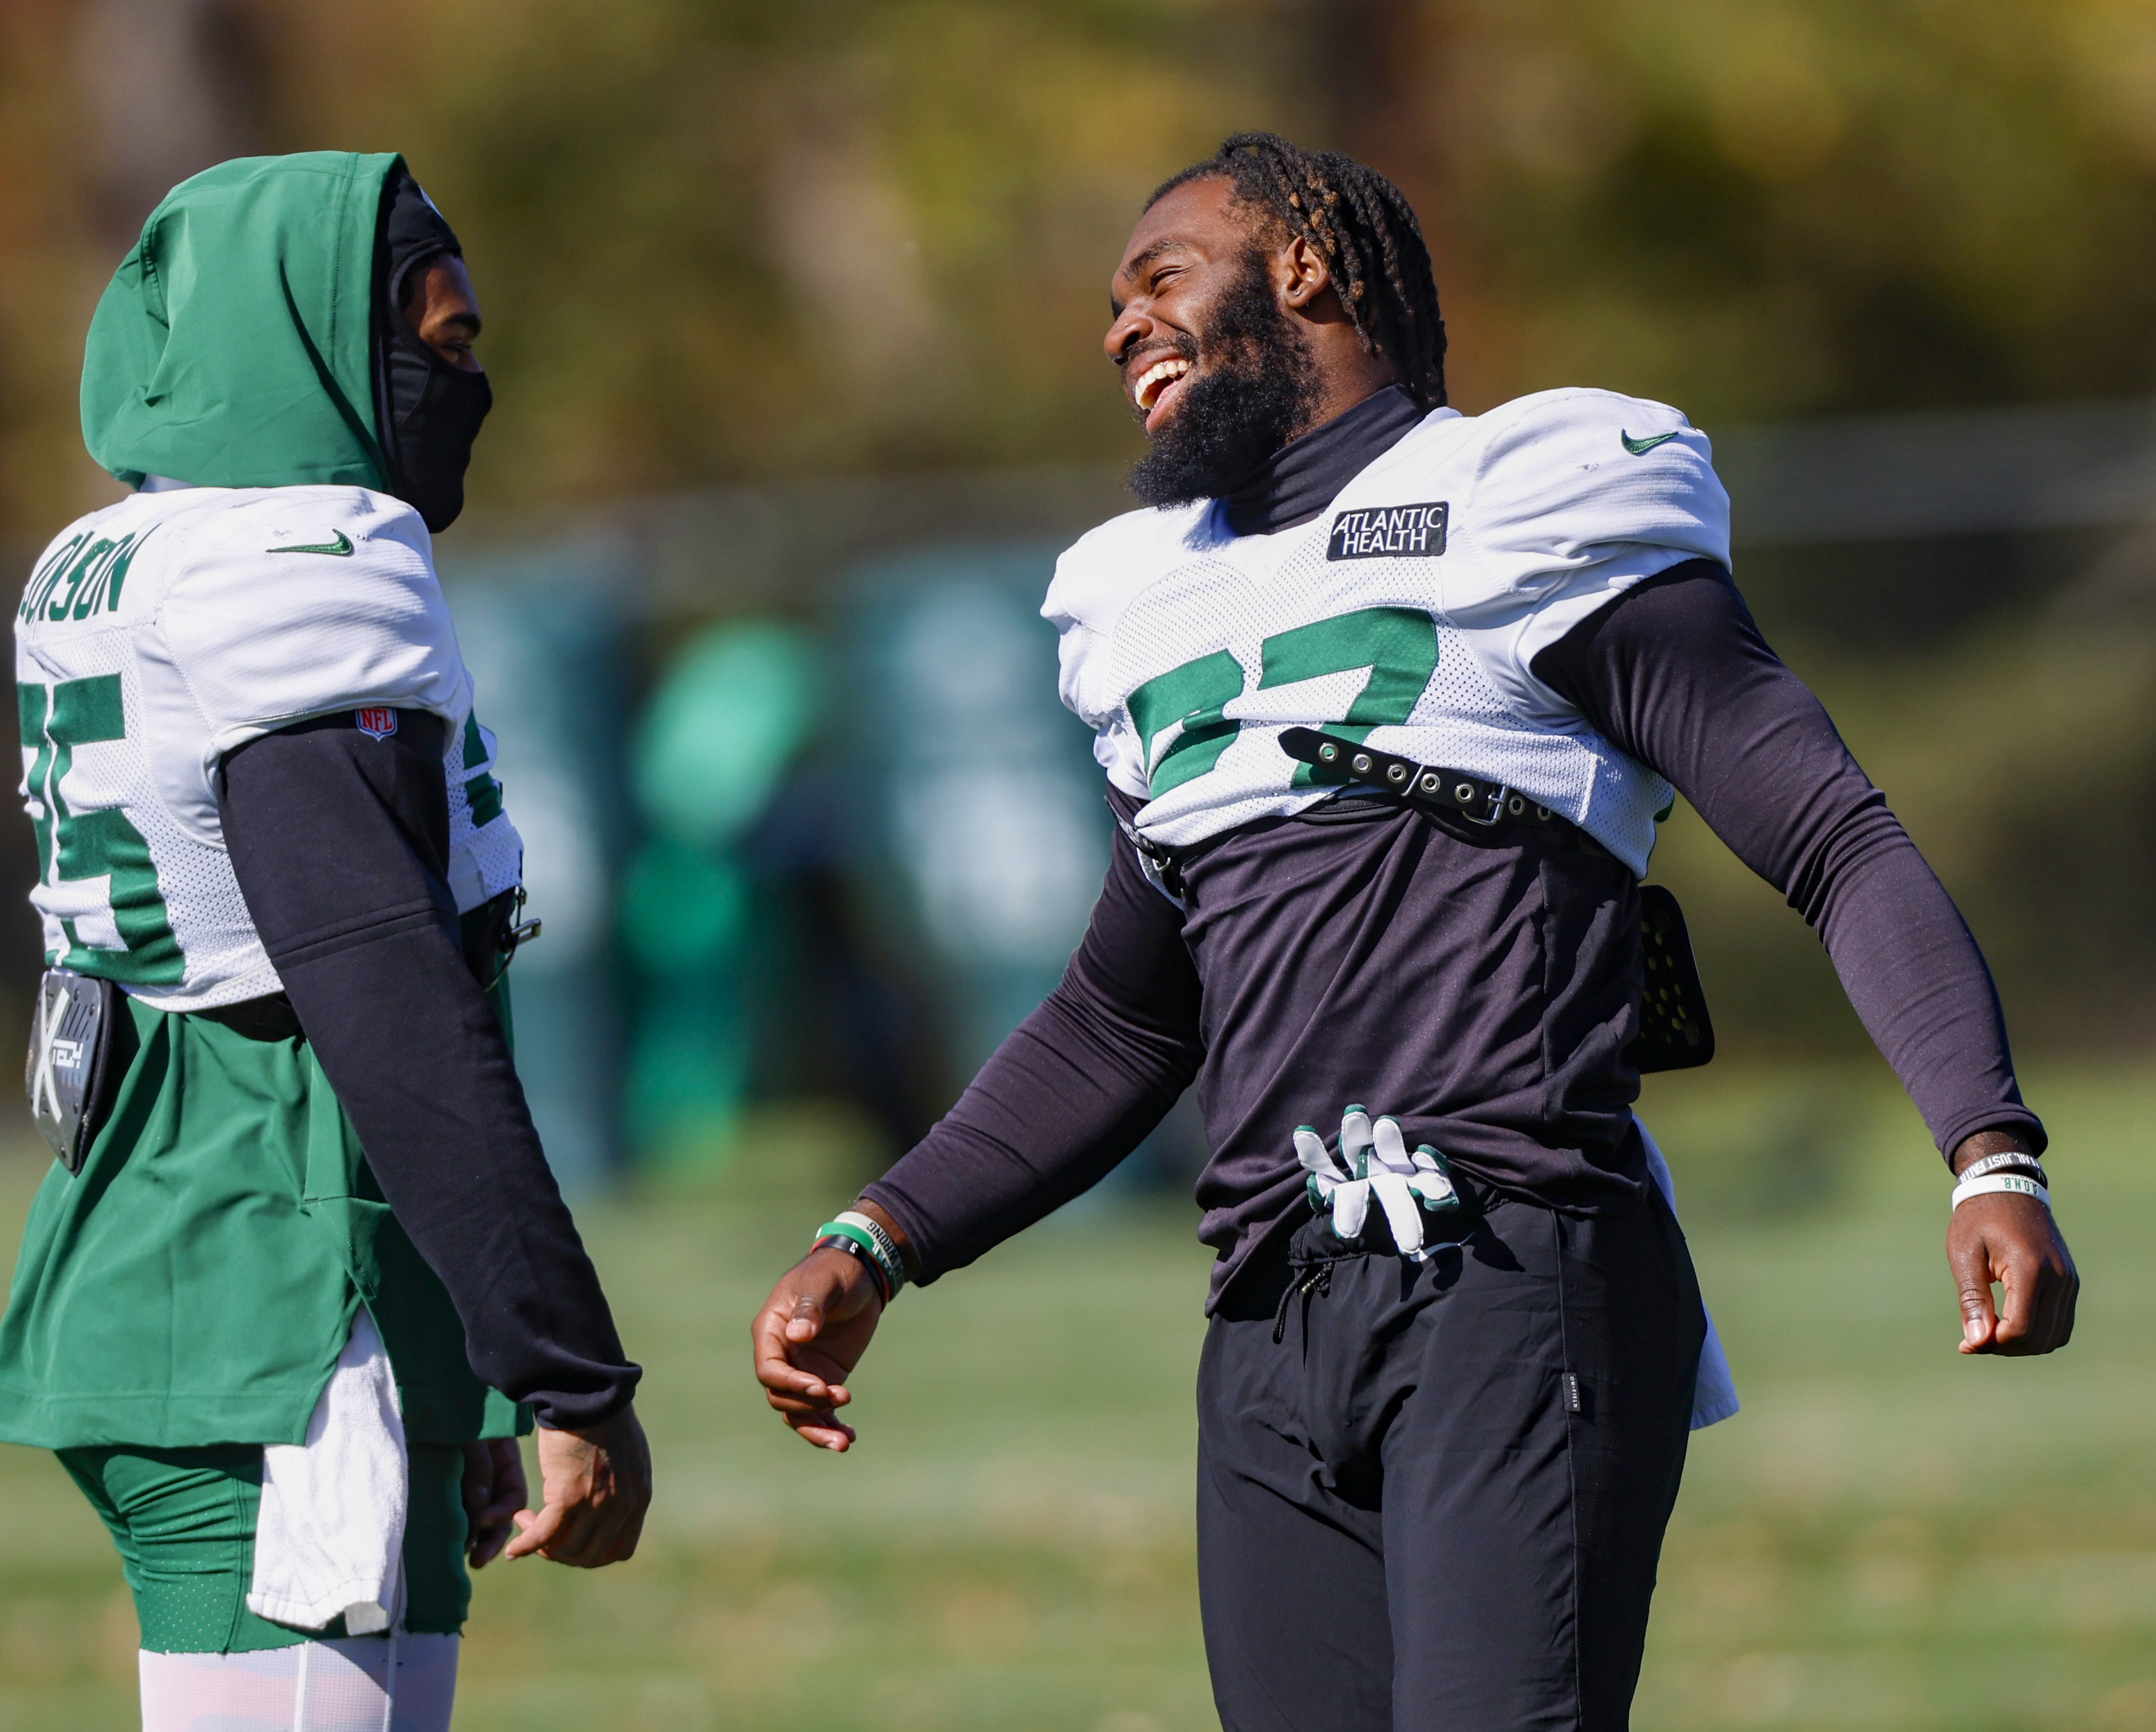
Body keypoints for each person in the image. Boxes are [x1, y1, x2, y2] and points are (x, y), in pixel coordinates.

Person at [753, 133, 2079, 1731]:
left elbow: (1824, 831)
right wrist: (882, 1237)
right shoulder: (1140, 601)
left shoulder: (1529, 491)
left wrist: (1985, 1146)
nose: (1116, 329)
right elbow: (1123, 1014)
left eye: (1157, 279)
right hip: (1265, 1313)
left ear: (1303, 269)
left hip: (1505, 1265)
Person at [0, 152, 650, 1732]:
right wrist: (563, 1363)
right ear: (307, 342)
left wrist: (459, 1360)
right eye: (441, 340)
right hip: (281, 1288)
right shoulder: (295, 564)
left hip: (204, 1237)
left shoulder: (127, 553)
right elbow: (381, 984)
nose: (463, 381)